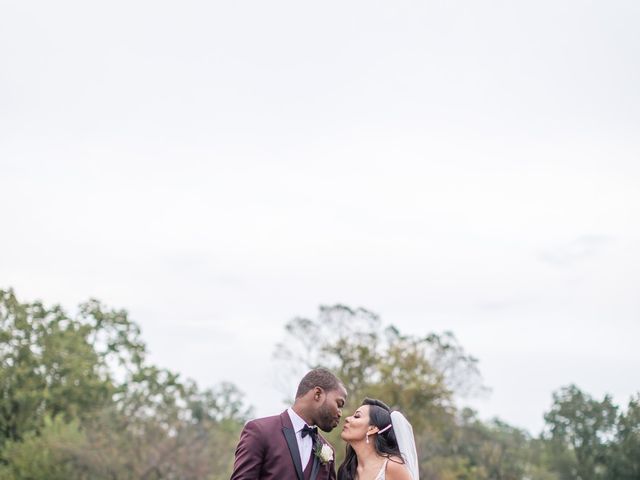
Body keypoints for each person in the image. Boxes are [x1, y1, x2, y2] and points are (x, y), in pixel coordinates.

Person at [230, 368, 348, 480]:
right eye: (339, 404)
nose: (340, 413)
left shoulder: (328, 451)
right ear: (317, 394)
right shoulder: (260, 431)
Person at [338, 398, 417, 480]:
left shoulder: (392, 466)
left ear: (372, 429)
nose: (347, 418)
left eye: (357, 416)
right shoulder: (346, 470)